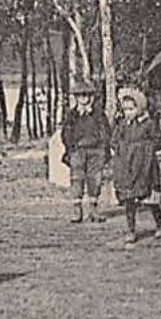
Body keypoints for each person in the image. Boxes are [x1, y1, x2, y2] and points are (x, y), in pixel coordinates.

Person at [110, 85, 161, 246]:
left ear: (140, 107)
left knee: (151, 198)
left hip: (145, 165)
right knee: (129, 199)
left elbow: (158, 141)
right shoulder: (122, 125)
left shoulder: (148, 123)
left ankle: (160, 225)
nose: (128, 112)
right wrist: (121, 148)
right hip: (127, 166)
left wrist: (143, 148)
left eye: (131, 108)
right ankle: (131, 229)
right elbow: (114, 141)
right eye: (126, 109)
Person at [60, 85, 109, 223]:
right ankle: (77, 209)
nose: (84, 99)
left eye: (87, 95)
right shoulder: (72, 115)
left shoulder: (98, 114)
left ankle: (94, 209)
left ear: (92, 97)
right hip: (78, 151)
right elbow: (65, 133)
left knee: (96, 179)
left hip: (95, 151)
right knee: (77, 179)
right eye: (80, 96)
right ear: (76, 98)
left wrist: (102, 146)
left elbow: (105, 131)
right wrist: (71, 147)